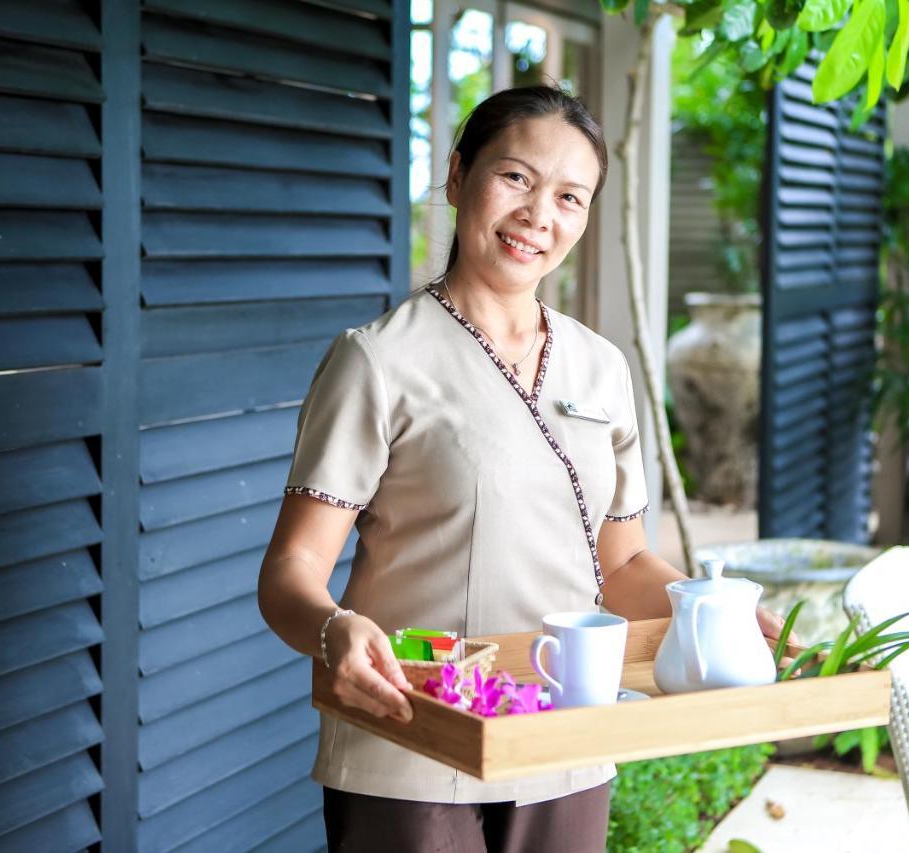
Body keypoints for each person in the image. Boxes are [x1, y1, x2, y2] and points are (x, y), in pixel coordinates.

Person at [257, 85, 785, 853]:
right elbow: (290, 572)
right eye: (516, 178)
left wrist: (713, 613)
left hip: (566, 738)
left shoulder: (603, 369)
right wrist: (335, 629)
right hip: (412, 740)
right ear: (458, 175)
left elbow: (625, 560)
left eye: (571, 196)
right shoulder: (376, 361)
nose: (540, 214)